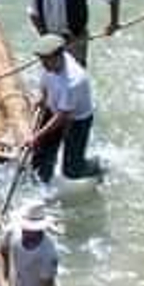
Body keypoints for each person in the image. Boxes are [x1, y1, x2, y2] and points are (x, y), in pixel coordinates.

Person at [29, 33, 100, 183]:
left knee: (72, 171)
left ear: (58, 56)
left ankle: (98, 166)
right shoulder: (49, 65)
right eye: (42, 60)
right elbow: (45, 81)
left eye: (46, 61)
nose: (43, 65)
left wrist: (37, 136)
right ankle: (42, 187)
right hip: (55, 108)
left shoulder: (74, 81)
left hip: (76, 120)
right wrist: (42, 97)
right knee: (40, 158)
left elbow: (62, 116)